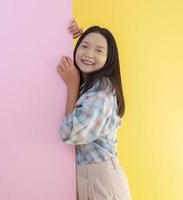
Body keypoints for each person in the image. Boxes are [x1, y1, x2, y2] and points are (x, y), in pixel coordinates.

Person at [57, 18, 132, 200]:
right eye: (84, 46)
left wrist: (72, 86)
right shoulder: (89, 84)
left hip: (101, 181)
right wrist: (67, 35)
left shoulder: (102, 93)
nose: (89, 54)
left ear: (109, 59)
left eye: (99, 50)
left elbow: (70, 133)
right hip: (91, 178)